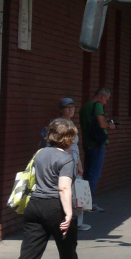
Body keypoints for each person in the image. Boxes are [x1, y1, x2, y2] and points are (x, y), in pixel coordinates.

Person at [6, 118, 93, 259]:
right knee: (67, 251)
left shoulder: (39, 154)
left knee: (29, 251)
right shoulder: (66, 159)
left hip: (34, 206)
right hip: (56, 208)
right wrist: (69, 214)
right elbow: (64, 188)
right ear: (68, 138)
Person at [47, 98, 89, 232]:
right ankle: (65, 220)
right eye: (68, 107)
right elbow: (52, 143)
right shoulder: (57, 123)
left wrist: (80, 164)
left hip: (74, 160)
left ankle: (77, 222)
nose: (71, 110)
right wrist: (65, 150)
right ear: (61, 110)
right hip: (64, 161)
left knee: (77, 192)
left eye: (73, 107)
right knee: (66, 190)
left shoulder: (72, 124)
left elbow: (76, 146)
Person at [80, 87, 114, 212]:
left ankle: (83, 201)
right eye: (106, 99)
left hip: (87, 142)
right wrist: (109, 125)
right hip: (97, 143)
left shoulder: (84, 107)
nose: (105, 103)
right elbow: (101, 124)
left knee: (87, 173)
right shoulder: (97, 105)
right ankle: (91, 203)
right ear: (101, 97)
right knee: (94, 174)